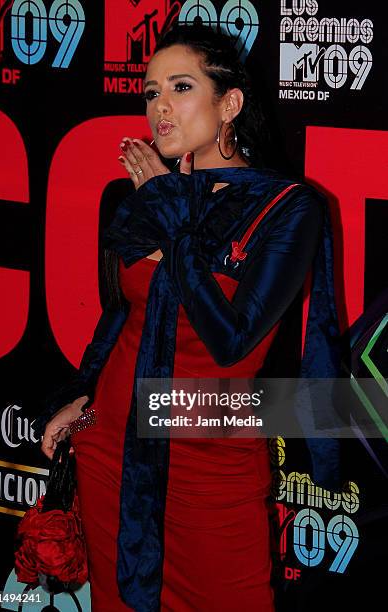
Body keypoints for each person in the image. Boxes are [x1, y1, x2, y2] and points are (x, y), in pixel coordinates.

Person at [34, 23, 341, 612]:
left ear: (230, 103)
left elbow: (230, 341)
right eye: (151, 92)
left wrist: (172, 220)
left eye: (180, 87)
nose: (160, 108)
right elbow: (123, 320)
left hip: (212, 465)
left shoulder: (287, 207)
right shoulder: (143, 198)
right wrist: (87, 396)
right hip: (113, 457)